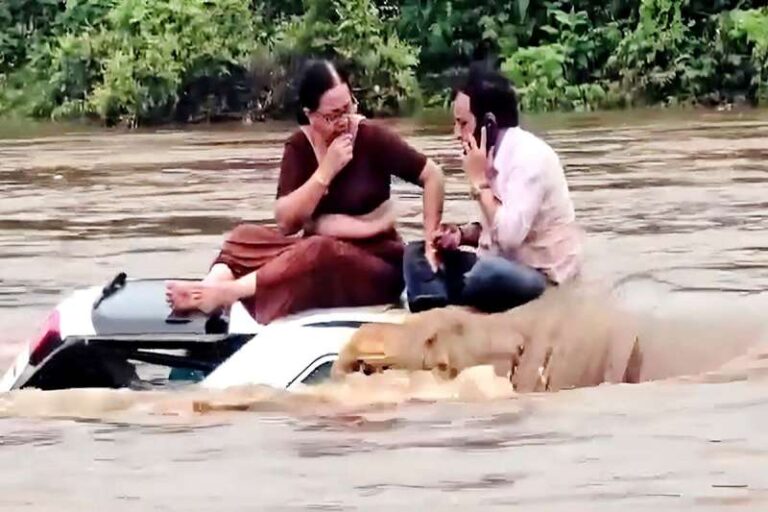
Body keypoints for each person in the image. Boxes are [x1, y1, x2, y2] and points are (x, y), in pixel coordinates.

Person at [166, 59, 445, 324]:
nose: (343, 121)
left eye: (347, 109)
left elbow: (433, 175)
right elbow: (286, 223)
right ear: (310, 115)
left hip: (375, 265)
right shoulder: (299, 147)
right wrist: (325, 171)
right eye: (332, 116)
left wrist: (431, 245)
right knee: (245, 237)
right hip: (313, 257)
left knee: (318, 249)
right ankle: (209, 288)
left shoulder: (372, 137)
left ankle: (229, 293)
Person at [403, 62, 582, 313]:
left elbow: (509, 237)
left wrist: (480, 183)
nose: (456, 133)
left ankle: (440, 293)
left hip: (540, 278)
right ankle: (433, 300)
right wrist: (460, 235)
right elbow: (492, 230)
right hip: (501, 261)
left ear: (489, 123)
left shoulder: (530, 159)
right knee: (417, 251)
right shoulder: (491, 156)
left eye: (462, 123)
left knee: (487, 273)